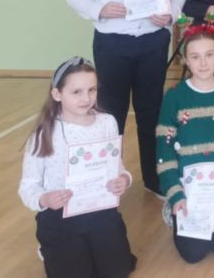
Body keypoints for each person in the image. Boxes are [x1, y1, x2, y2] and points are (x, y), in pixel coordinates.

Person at [66, 0, 184, 196]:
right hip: (112, 43)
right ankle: (107, 180)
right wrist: (100, 9)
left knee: (151, 111)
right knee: (110, 114)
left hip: (153, 41)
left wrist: (170, 15)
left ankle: (154, 180)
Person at [19, 57, 136, 277]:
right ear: (57, 94)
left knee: (118, 271)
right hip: (60, 217)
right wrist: (45, 199)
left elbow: (119, 168)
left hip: (100, 211)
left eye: (92, 90)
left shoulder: (107, 122)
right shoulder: (44, 134)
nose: (86, 98)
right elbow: (28, 187)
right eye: (76, 92)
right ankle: (49, 249)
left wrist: (124, 180)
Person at [156, 20, 214, 264]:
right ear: (185, 60)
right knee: (193, 255)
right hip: (188, 189)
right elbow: (164, 149)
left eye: (209, 55)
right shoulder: (175, 96)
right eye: (195, 57)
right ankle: (172, 210)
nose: (203, 63)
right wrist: (175, 193)